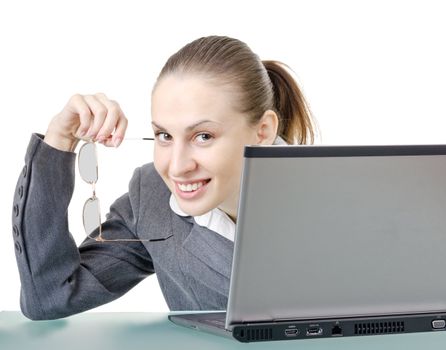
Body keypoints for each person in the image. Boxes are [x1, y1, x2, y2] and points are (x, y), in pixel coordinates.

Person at [11, 35, 317, 320]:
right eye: (164, 135)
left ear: (262, 131)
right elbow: (50, 295)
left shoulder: (334, 195)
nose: (177, 166)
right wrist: (59, 141)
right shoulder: (152, 198)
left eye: (203, 136)